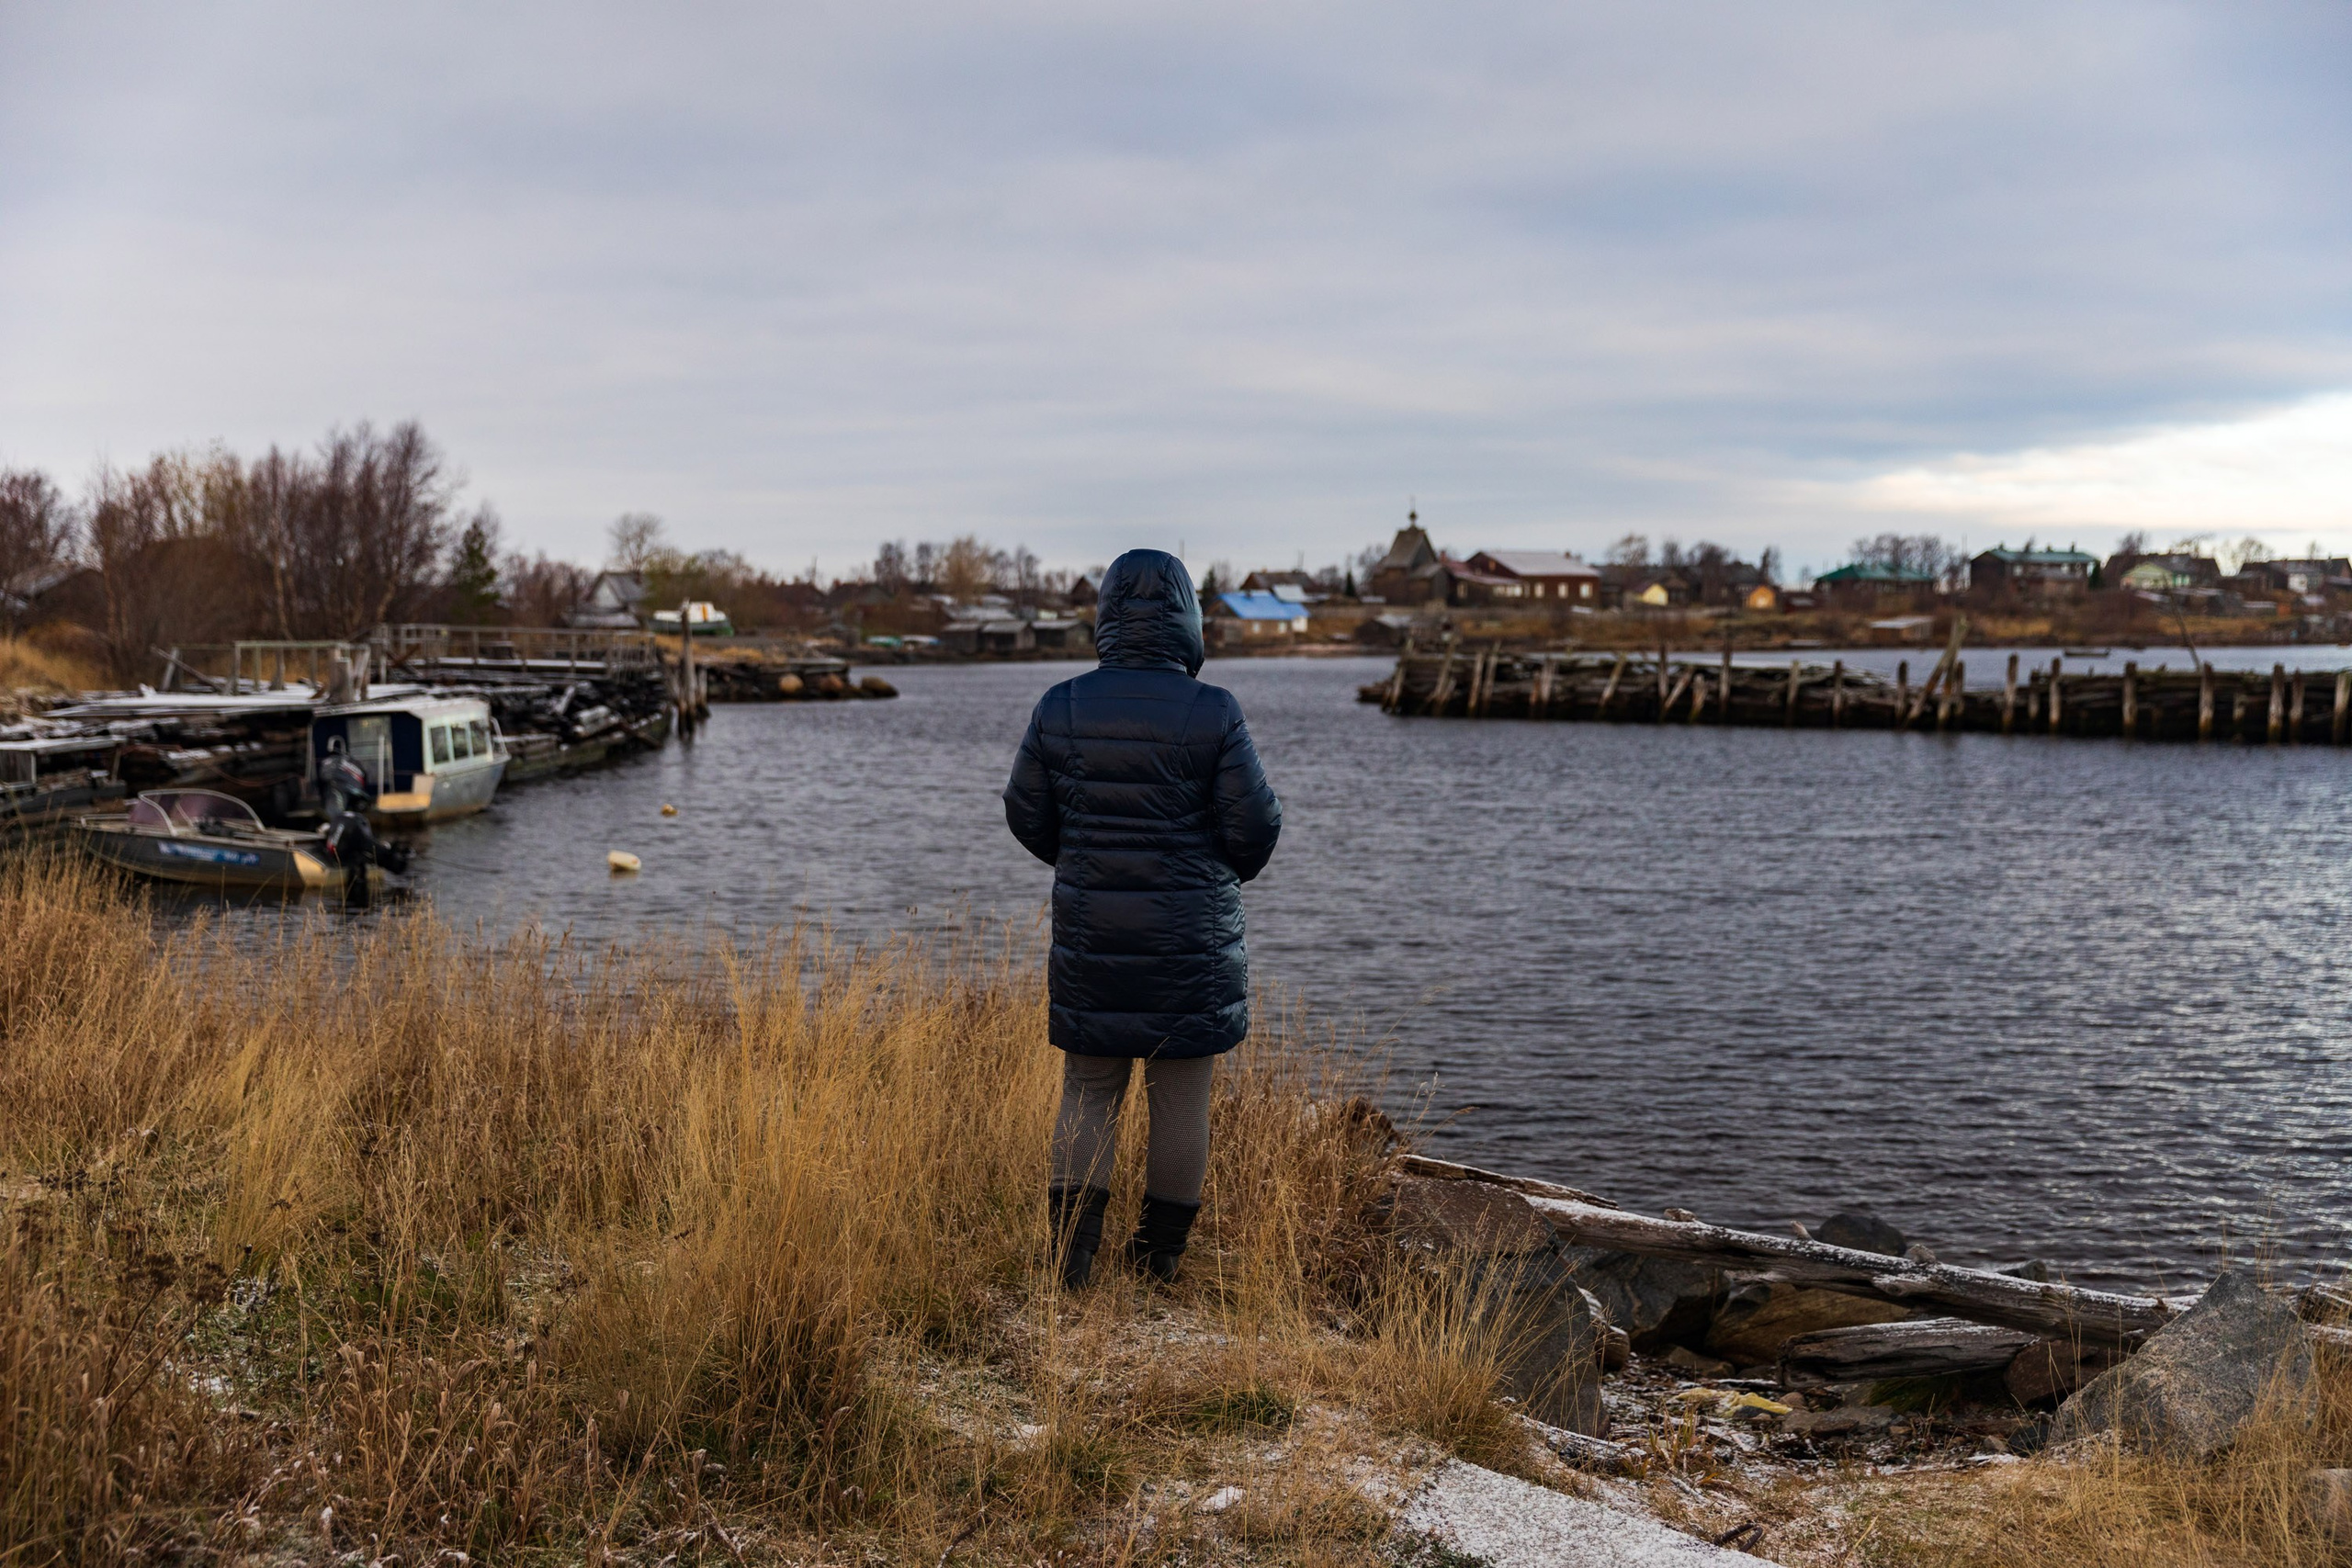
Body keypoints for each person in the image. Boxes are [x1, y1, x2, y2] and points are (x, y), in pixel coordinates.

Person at [1002, 548, 1283, 1288]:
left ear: (1105, 617)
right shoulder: (1214, 710)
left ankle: (1072, 1262)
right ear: (1187, 619)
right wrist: (1215, 872)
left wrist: (1085, 859)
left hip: (1096, 932)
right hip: (1192, 939)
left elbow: (1024, 811)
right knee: (1181, 1097)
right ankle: (1159, 1259)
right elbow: (1255, 827)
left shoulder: (1060, 703)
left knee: (1089, 1087)